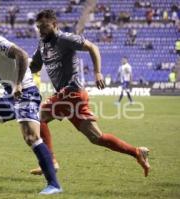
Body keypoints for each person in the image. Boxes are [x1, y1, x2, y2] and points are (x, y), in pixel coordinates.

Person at [29, 10, 150, 177]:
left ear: (54, 25)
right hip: (70, 96)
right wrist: (19, 65)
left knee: (37, 117)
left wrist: (98, 73)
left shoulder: (65, 39)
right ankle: (137, 152)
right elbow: (35, 66)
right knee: (96, 137)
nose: (41, 30)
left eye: (44, 26)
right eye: (38, 27)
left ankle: (49, 162)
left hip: (71, 91)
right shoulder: (42, 43)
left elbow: (93, 47)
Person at [0, 21, 62, 195]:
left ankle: (54, 185)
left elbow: (21, 54)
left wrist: (18, 84)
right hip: (10, 96)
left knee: (31, 137)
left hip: (25, 93)